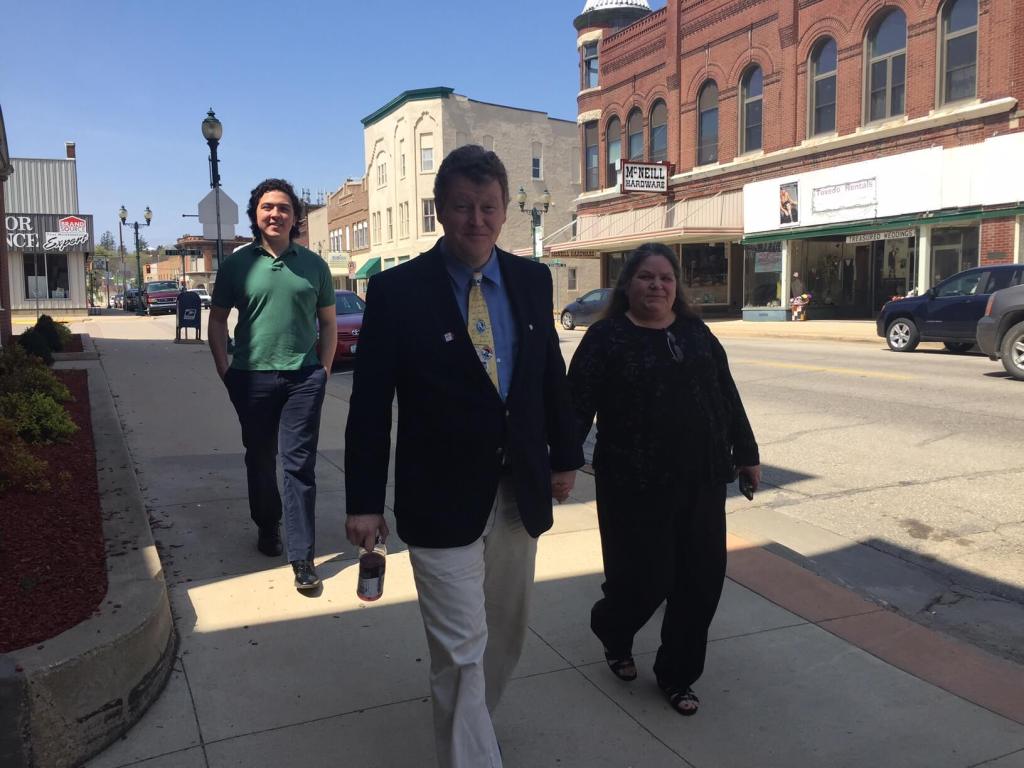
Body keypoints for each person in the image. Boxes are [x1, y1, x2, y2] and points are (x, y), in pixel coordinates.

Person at [344, 145, 582, 768]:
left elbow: (548, 374)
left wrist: (564, 454)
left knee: (502, 636)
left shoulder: (532, 281)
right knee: (459, 648)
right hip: (439, 496)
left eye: (488, 207)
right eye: (463, 207)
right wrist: (364, 501)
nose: (477, 219)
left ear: (503, 210)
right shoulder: (396, 292)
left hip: (516, 491)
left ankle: (472, 727)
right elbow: (370, 404)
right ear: (441, 210)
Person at [567, 242, 760, 717]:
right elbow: (575, 406)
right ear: (628, 285)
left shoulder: (697, 333)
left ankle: (677, 675)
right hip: (633, 485)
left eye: (666, 278)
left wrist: (746, 453)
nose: (657, 285)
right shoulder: (606, 337)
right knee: (643, 581)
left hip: (702, 479)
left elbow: (726, 395)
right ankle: (613, 629)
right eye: (646, 277)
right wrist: (562, 461)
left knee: (700, 583)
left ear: (677, 288)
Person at [208, 178, 336, 591]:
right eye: (267, 207)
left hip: (303, 378)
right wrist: (225, 370)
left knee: (299, 466)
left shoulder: (313, 265)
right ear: (255, 215)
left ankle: (302, 557)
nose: (275, 214)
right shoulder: (237, 265)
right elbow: (216, 320)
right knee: (260, 460)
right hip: (251, 378)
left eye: (283, 207)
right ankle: (268, 524)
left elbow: (329, 323)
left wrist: (323, 371)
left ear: (296, 216)